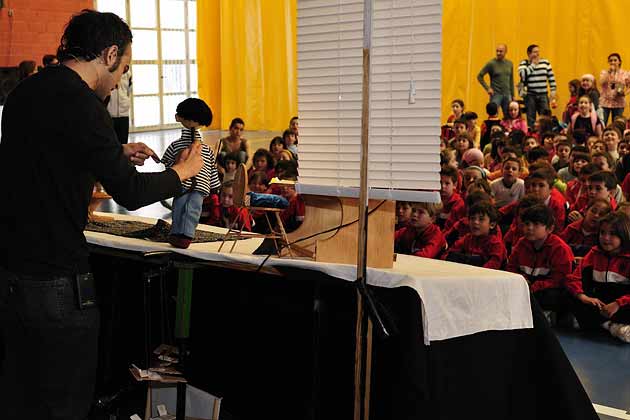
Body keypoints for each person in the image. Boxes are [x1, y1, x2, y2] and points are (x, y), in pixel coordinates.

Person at [0, 10, 203, 420]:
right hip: (58, 280)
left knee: (20, 397)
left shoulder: (25, 92)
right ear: (110, 54)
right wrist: (182, 172)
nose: (119, 80)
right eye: (123, 69)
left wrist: (113, 153)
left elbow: (46, 158)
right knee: (64, 402)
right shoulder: (85, 104)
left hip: (11, 275)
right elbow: (131, 192)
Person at [162, 98, 221, 249]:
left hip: (192, 184)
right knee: (181, 207)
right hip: (184, 183)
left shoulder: (203, 149)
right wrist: (214, 186)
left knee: (191, 209)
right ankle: (178, 233)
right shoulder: (183, 146)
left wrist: (214, 185)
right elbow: (212, 167)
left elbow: (211, 167)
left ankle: (185, 235)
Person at [567, 212, 630, 342]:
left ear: (623, 234)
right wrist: (584, 297)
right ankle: (610, 326)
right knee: (570, 297)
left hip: (621, 305)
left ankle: (602, 324)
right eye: (602, 232)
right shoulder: (594, 253)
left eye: (612, 234)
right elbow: (574, 278)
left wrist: (618, 304)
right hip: (599, 304)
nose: (605, 238)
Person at [507, 204, 575, 313]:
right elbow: (511, 267)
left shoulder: (559, 248)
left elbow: (560, 279)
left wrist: (535, 287)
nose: (529, 228)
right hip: (527, 284)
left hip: (549, 289)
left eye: (536, 224)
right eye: (527, 224)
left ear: (550, 229)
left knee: (551, 295)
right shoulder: (521, 243)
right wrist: (521, 279)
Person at [444, 201, 506, 269]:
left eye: (481, 219)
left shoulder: (496, 244)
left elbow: (493, 266)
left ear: (492, 225)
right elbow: (448, 255)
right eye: (472, 218)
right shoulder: (467, 238)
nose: (475, 222)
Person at [518, 44, 557, 129]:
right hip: (530, 95)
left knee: (545, 118)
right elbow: (522, 75)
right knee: (531, 118)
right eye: (535, 52)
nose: (537, 54)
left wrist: (553, 92)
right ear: (529, 53)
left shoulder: (545, 62)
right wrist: (533, 65)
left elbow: (551, 78)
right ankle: (532, 134)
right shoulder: (524, 63)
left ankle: (545, 133)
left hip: (543, 95)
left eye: (538, 52)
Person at [477, 43, 514, 117]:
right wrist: (488, 88)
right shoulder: (491, 63)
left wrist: (513, 95)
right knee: (493, 114)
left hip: (507, 94)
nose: (498, 53)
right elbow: (479, 76)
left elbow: (511, 80)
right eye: (497, 51)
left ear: (505, 52)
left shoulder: (510, 64)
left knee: (509, 116)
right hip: (496, 94)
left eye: (501, 51)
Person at [599, 53, 630, 125]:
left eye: (615, 60)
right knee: (602, 122)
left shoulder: (625, 73)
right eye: (611, 60)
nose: (613, 62)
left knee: (616, 123)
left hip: (618, 102)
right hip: (605, 102)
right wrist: (609, 72)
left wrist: (625, 93)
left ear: (619, 62)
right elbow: (601, 82)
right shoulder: (604, 72)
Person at [107, 70, 132, 144]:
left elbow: (129, 90)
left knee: (123, 143)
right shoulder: (107, 71)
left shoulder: (128, 73)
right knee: (110, 143)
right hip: (109, 114)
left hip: (124, 114)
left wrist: (126, 101)